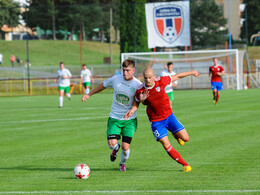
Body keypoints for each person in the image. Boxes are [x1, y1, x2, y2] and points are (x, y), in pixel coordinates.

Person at [124, 68, 200, 172]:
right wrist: (134, 109)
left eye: (150, 77)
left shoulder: (161, 81)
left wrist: (192, 72)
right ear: (143, 77)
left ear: (154, 76)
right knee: (165, 144)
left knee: (186, 138)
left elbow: (177, 76)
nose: (148, 80)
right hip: (156, 122)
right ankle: (185, 165)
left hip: (169, 116)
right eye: (146, 78)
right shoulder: (140, 90)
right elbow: (136, 102)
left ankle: (175, 135)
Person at [82, 59, 142, 171]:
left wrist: (133, 109)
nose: (125, 73)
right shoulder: (116, 79)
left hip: (130, 120)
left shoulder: (138, 85)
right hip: (115, 118)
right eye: (123, 70)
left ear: (133, 70)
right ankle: (115, 148)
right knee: (111, 144)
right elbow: (103, 85)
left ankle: (122, 163)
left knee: (125, 147)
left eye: (128, 70)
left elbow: (138, 100)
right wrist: (89, 94)